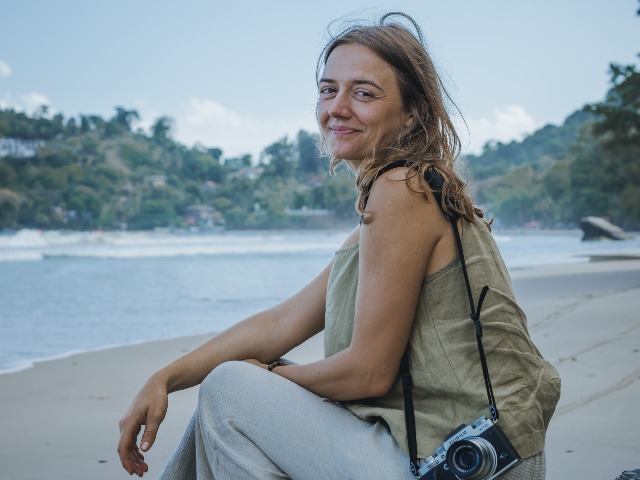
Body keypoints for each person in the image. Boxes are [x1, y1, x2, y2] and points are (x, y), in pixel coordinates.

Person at [118, 12, 560, 480]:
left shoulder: (401, 189)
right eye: (329, 89)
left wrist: (261, 378)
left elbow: (368, 374)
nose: (338, 107)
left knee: (231, 387)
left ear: (412, 113)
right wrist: (165, 377)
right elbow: (282, 321)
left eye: (364, 93)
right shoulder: (399, 204)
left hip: (455, 463)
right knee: (236, 384)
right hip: (473, 456)